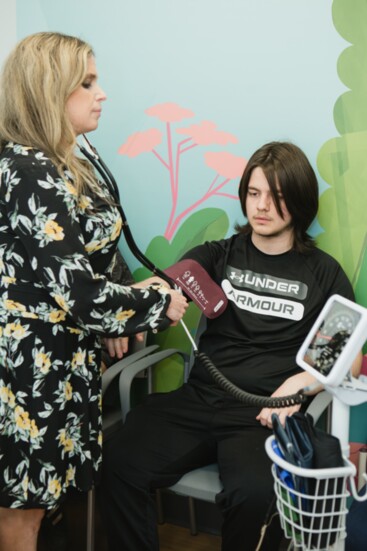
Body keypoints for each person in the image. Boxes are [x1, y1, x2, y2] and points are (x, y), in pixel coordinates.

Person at [100, 141, 362, 551]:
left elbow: (345, 354)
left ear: (299, 201)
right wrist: (119, 309)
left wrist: (299, 384)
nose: (261, 207)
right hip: (200, 398)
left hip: (262, 415)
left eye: (275, 197)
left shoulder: (324, 273)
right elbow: (163, 284)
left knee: (256, 495)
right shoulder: (219, 254)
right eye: (253, 194)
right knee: (118, 461)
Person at [0, 31, 188, 551]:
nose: (101, 93)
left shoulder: (71, 163)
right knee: (24, 515)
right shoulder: (28, 171)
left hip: (68, 363)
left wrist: (122, 307)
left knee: (47, 504)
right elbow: (81, 295)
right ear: (48, 90)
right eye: (87, 82)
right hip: (30, 372)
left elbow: (98, 253)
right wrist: (153, 305)